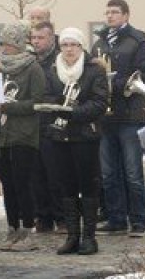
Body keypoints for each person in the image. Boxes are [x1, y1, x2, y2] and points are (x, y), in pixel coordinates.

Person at [89, 0, 145, 237]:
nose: (110, 17)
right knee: (109, 172)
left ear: (126, 15)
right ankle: (116, 218)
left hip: (130, 115)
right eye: (107, 13)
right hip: (106, 118)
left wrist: (111, 82)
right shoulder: (99, 42)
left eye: (115, 12)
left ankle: (138, 220)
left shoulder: (138, 41)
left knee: (132, 173)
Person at [40, 27, 108, 255]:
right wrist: (58, 106)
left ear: (81, 47)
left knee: (88, 184)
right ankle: (72, 236)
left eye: (74, 45)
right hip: (60, 136)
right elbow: (47, 97)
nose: (69, 50)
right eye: (65, 45)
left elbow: (99, 103)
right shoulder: (52, 70)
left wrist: (72, 111)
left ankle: (89, 237)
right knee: (66, 185)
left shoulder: (94, 70)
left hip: (85, 136)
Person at [0, 21, 47, 252]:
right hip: (1, 135)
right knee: (9, 185)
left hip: (25, 135)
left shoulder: (34, 68)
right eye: (3, 44)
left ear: (19, 44)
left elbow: (38, 102)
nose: (5, 49)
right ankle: (12, 227)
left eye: (10, 45)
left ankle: (28, 230)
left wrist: (8, 107)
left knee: (23, 183)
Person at [30, 20, 63, 234]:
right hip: (33, 125)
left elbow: (60, 91)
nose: (36, 42)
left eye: (40, 38)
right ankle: (43, 217)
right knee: (37, 176)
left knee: (56, 175)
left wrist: (42, 100)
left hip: (52, 123)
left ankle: (62, 218)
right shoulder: (30, 60)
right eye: (33, 38)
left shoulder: (59, 61)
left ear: (51, 38)